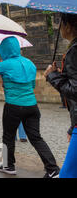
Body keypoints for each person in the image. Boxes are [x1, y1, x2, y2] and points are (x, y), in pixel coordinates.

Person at [0, 36, 60, 178]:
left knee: (8, 136)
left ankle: (8, 165)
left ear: (4, 49)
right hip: (32, 106)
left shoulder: (5, 64)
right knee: (36, 138)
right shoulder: (30, 63)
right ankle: (53, 169)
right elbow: (31, 85)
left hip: (13, 106)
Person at [44, 12, 77, 178]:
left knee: (68, 174)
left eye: (61, 24)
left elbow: (75, 91)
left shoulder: (74, 51)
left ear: (69, 26)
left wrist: (52, 76)